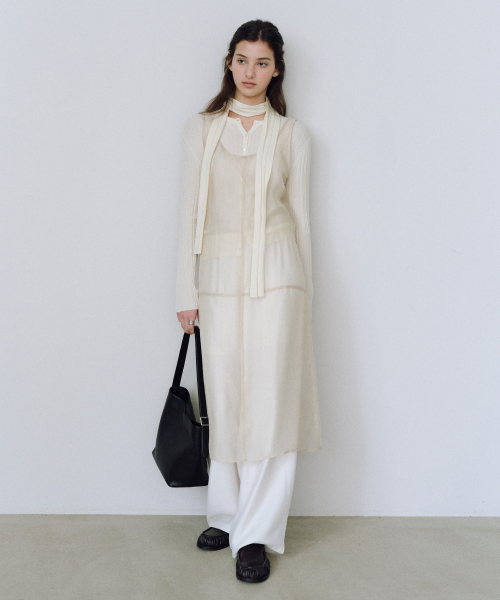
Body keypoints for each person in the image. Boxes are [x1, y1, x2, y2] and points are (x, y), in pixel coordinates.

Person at [175, 19, 322, 583]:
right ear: (229, 63)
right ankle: (228, 514)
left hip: (279, 280)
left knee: (270, 402)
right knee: (227, 397)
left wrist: (305, 296)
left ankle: (254, 534)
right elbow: (188, 212)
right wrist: (184, 290)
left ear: (276, 69)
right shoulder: (202, 128)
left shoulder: (292, 135)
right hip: (216, 280)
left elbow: (301, 221)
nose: (250, 72)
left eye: (262, 62)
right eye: (242, 60)